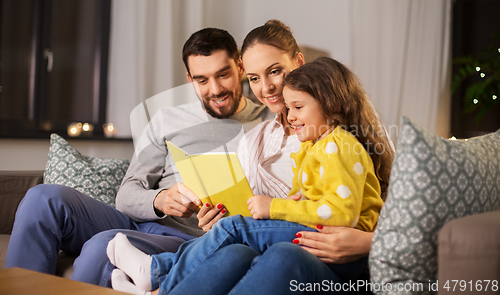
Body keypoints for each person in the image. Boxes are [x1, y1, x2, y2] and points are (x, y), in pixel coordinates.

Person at [5, 27, 273, 287]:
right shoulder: (167, 119)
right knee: (43, 199)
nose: (214, 89)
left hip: (190, 238)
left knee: (104, 247)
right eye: (202, 80)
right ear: (190, 79)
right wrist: (159, 200)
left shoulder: (269, 123)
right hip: (143, 221)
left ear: (240, 67)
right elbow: (127, 194)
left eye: (223, 75)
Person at [106, 56, 391, 295]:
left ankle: (156, 270)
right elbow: (317, 198)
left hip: (339, 248)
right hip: (316, 235)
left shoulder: (339, 144)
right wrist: (293, 201)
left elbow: (341, 214)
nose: (290, 116)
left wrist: (275, 207)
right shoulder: (314, 146)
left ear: (331, 104)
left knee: (234, 229)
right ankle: (160, 283)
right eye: (289, 108)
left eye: (298, 107)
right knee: (234, 246)